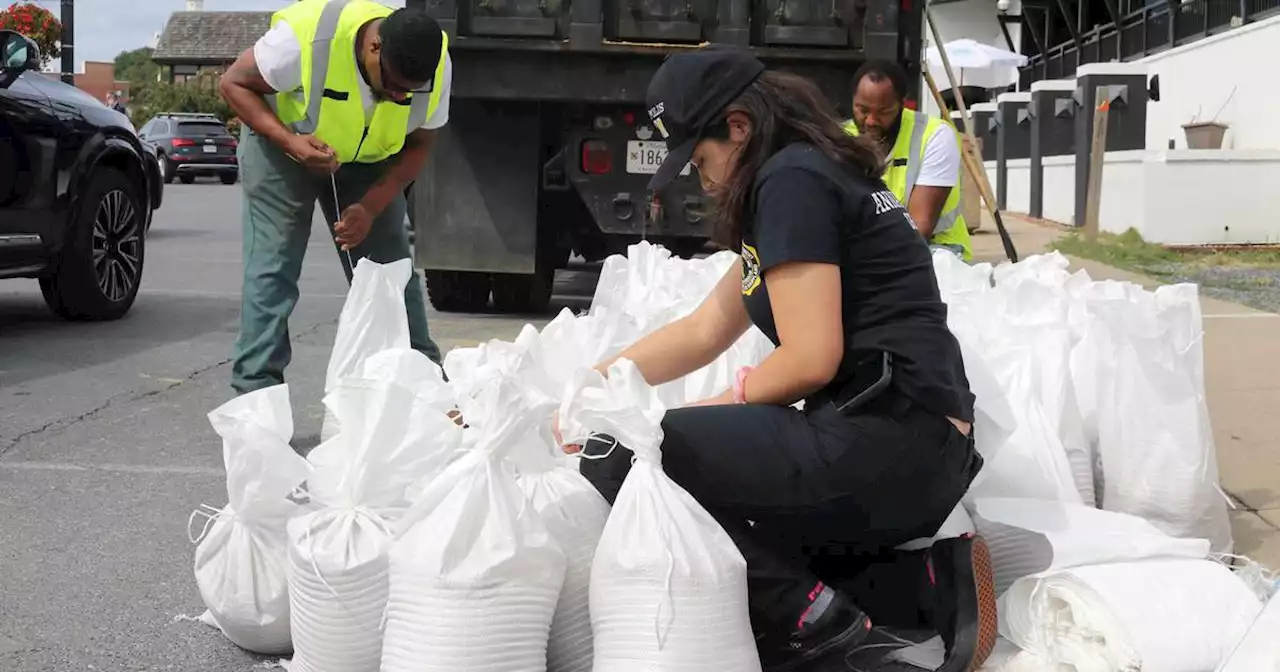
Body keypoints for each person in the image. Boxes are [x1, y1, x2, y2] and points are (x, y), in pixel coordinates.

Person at [555, 46, 995, 672]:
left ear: (738, 127)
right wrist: (591, 384)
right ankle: (921, 582)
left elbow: (812, 358)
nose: (700, 180)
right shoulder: (813, 174)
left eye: (700, 159)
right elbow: (707, 328)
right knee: (726, 535)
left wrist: (682, 416)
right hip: (915, 444)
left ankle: (811, 622)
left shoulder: (791, 181)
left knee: (623, 456)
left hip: (889, 438)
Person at [219, 0, 449, 395]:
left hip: (369, 157)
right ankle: (255, 397)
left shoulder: (436, 61)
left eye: (408, 92)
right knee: (273, 269)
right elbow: (233, 83)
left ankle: (423, 386)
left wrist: (371, 207)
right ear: (375, 47)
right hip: (283, 146)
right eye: (392, 83)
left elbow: (420, 144)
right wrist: (290, 141)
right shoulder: (303, 40)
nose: (398, 96)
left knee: (389, 274)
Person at [844, 60, 974, 262]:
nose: (871, 121)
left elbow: (917, 230)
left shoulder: (934, 136)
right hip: (866, 253)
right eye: (863, 110)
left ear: (902, 105)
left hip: (937, 252)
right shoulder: (840, 138)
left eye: (883, 112)